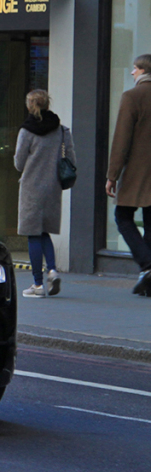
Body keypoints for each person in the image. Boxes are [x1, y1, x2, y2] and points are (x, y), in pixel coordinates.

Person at [14, 89, 73, 298]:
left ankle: (38, 286)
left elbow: (19, 163)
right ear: (47, 104)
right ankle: (53, 270)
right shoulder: (62, 130)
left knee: (33, 235)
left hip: (31, 187)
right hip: (53, 187)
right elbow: (71, 160)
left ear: (30, 106)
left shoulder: (26, 131)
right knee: (44, 231)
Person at [107, 53, 151, 296]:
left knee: (123, 217)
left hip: (137, 171)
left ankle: (147, 265)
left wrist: (112, 174)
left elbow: (121, 140)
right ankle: (148, 280)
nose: (132, 72)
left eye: (134, 68)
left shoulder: (132, 96)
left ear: (143, 70)